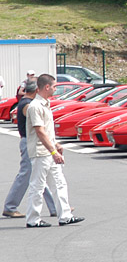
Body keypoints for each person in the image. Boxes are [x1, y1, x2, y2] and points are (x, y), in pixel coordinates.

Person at [23, 74, 82, 227]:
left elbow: (47, 131)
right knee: (38, 185)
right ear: (47, 87)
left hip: (48, 151)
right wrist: (53, 152)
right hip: (41, 152)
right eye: (54, 86)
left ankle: (65, 215)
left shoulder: (45, 104)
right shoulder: (35, 106)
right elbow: (40, 131)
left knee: (59, 182)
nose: (56, 89)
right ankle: (33, 219)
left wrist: (56, 144)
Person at [3, 80, 57, 219]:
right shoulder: (27, 105)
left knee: (39, 175)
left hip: (30, 142)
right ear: (36, 91)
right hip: (30, 142)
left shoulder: (25, 103)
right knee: (26, 174)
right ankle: (10, 206)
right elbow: (37, 124)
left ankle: (55, 206)